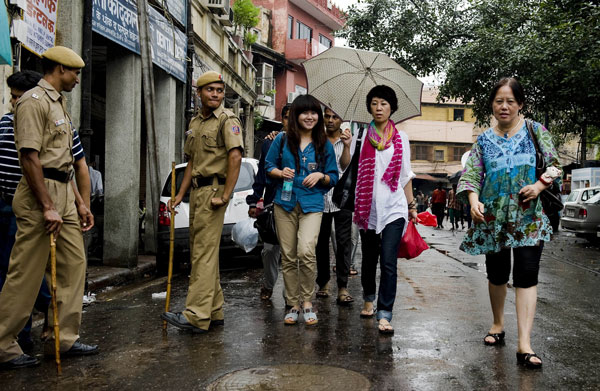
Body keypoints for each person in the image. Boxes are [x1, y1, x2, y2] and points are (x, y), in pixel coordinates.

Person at [0, 46, 96, 370]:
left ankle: (62, 337)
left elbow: (66, 162)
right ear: (58, 69)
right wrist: (46, 206)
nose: (78, 79)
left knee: (74, 265)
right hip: (38, 194)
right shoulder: (33, 102)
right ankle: (2, 344)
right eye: (75, 72)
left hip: (64, 193)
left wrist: (80, 203)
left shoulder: (60, 104)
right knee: (25, 273)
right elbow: (30, 157)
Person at [458, 77, 562, 369]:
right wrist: (474, 200)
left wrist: (540, 185)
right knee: (497, 273)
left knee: (527, 274)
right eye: (499, 101)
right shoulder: (484, 140)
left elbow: (555, 164)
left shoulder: (535, 131)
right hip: (493, 217)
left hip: (529, 216)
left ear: (521, 105)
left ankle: (525, 344)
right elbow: (471, 176)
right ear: (492, 104)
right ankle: (497, 324)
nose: (504, 107)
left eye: (510, 101)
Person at [162, 71, 243, 334]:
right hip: (196, 192)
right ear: (199, 92)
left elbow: (236, 157)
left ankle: (196, 315)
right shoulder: (196, 122)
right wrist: (179, 195)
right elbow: (191, 164)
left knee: (202, 255)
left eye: (220, 90)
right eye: (211, 90)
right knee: (204, 252)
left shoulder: (227, 120)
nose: (216, 95)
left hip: (213, 193)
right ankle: (214, 310)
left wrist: (226, 195)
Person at [265, 94, 338, 326]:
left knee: (306, 251)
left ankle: (307, 301)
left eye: (314, 112)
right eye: (304, 112)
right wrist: (280, 173)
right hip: (284, 203)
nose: (310, 117)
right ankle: (292, 303)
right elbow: (268, 166)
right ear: (295, 116)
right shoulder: (282, 139)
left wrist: (321, 176)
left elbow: (333, 176)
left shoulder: (324, 143)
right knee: (288, 255)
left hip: (312, 204)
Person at [352, 85, 417, 334]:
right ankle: (369, 297)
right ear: (369, 107)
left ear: (392, 108)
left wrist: (411, 207)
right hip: (367, 208)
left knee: (389, 261)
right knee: (369, 260)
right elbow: (349, 168)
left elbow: (405, 175)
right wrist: (348, 145)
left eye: (384, 104)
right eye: (375, 103)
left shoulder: (401, 139)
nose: (379, 108)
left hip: (393, 208)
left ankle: (385, 312)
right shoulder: (359, 136)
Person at [246, 104, 290, 300]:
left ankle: (290, 293)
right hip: (274, 205)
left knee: (294, 254)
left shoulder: (308, 143)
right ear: (282, 119)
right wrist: (254, 202)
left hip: (297, 205)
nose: (291, 121)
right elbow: (262, 175)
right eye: (287, 117)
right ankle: (269, 284)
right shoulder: (270, 143)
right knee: (270, 250)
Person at [315, 108, 353, 305]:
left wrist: (346, 147)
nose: (330, 121)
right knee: (320, 243)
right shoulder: (316, 139)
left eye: (334, 117)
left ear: (341, 120)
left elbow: (345, 166)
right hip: (320, 198)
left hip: (342, 199)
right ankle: (322, 283)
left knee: (343, 243)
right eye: (327, 117)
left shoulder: (348, 139)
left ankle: (343, 286)